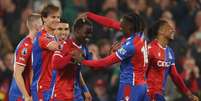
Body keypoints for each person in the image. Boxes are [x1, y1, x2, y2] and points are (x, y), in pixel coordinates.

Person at [73, 12, 148, 101]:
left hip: (130, 86)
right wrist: (89, 15)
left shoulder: (130, 47)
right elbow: (111, 23)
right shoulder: (139, 35)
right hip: (141, 85)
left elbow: (104, 63)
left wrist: (82, 61)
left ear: (129, 27)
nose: (120, 26)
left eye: (122, 24)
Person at [145, 19, 199, 101]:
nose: (173, 30)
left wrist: (188, 93)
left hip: (159, 95)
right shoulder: (149, 49)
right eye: (169, 28)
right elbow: (139, 72)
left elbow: (175, 76)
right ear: (161, 31)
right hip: (147, 94)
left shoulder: (169, 52)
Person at [51, 21, 92, 101]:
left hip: (74, 93)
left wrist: (85, 89)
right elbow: (56, 65)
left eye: (66, 29)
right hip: (57, 92)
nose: (63, 32)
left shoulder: (76, 47)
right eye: (60, 29)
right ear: (54, 31)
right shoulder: (49, 47)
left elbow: (77, 71)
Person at [9, 13, 42, 101]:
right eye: (42, 25)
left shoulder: (36, 45)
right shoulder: (26, 46)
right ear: (37, 26)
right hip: (19, 96)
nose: (44, 29)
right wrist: (26, 96)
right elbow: (17, 73)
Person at [31, 4, 61, 101]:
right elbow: (56, 47)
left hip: (53, 86)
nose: (57, 20)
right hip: (42, 87)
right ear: (44, 18)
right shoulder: (41, 37)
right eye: (53, 17)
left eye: (58, 17)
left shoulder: (55, 37)